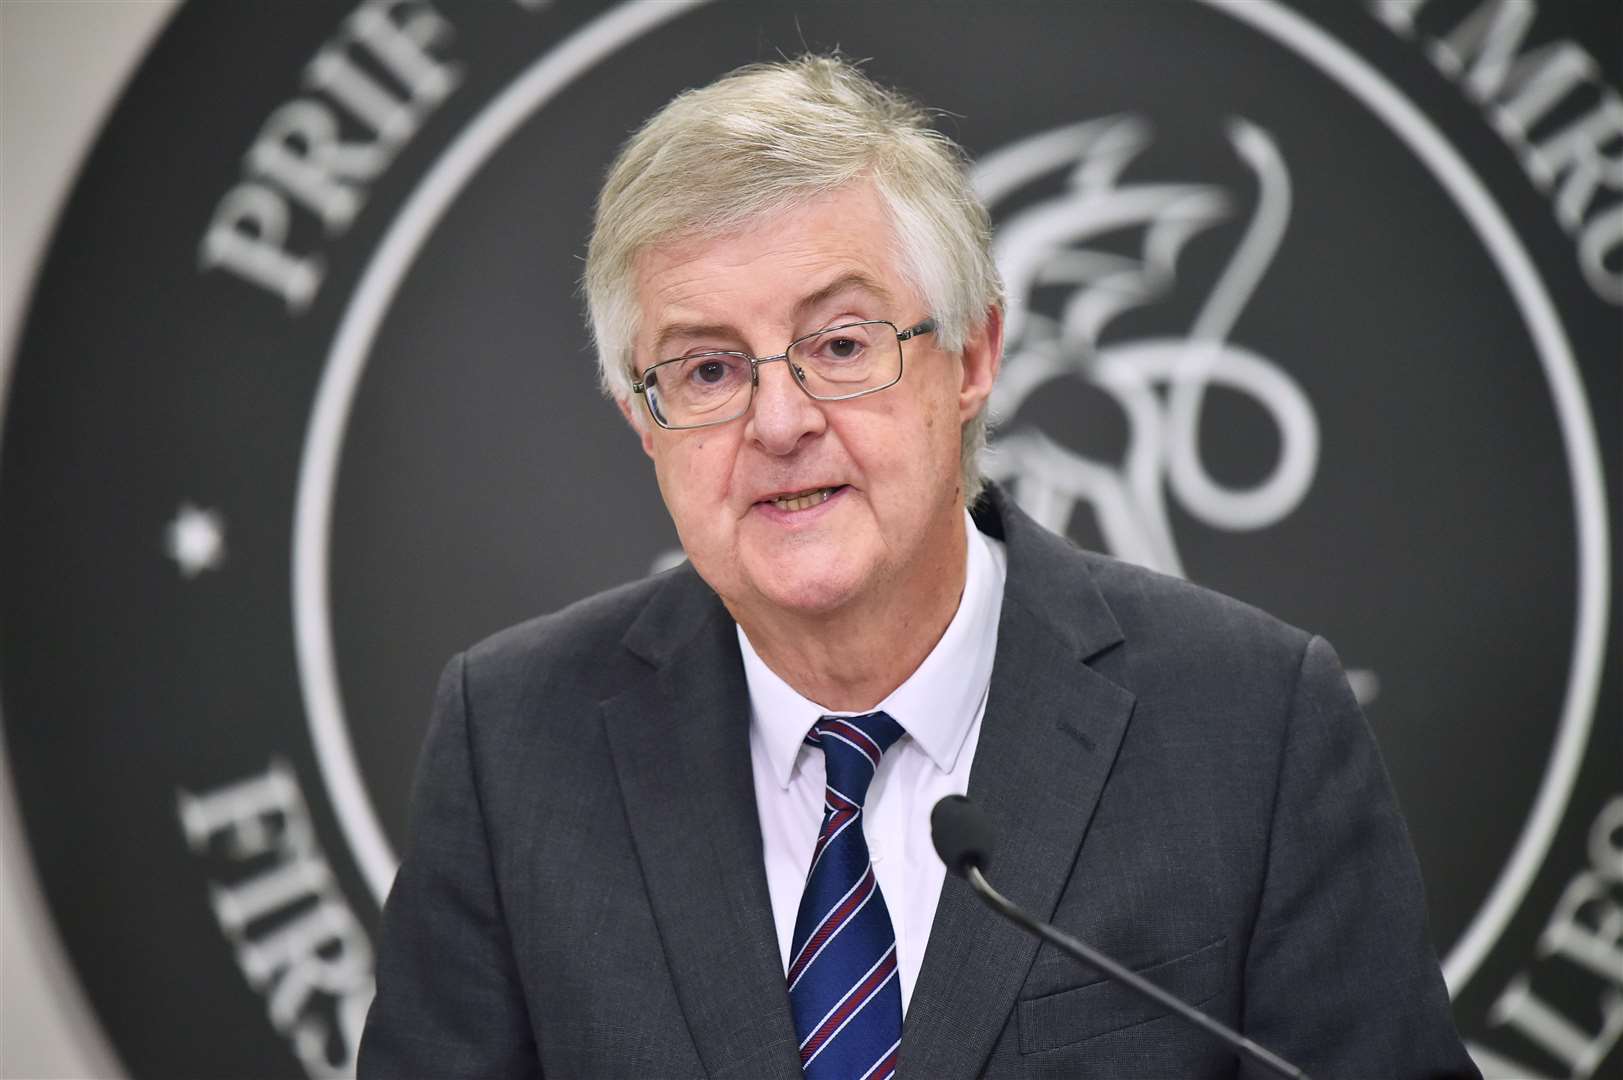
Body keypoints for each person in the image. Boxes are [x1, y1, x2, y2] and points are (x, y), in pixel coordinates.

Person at [358, 56, 1476, 1079]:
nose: (779, 422)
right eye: (706, 370)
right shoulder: (511, 747)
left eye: (840, 345)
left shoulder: (1253, 726)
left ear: (974, 356)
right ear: (641, 420)